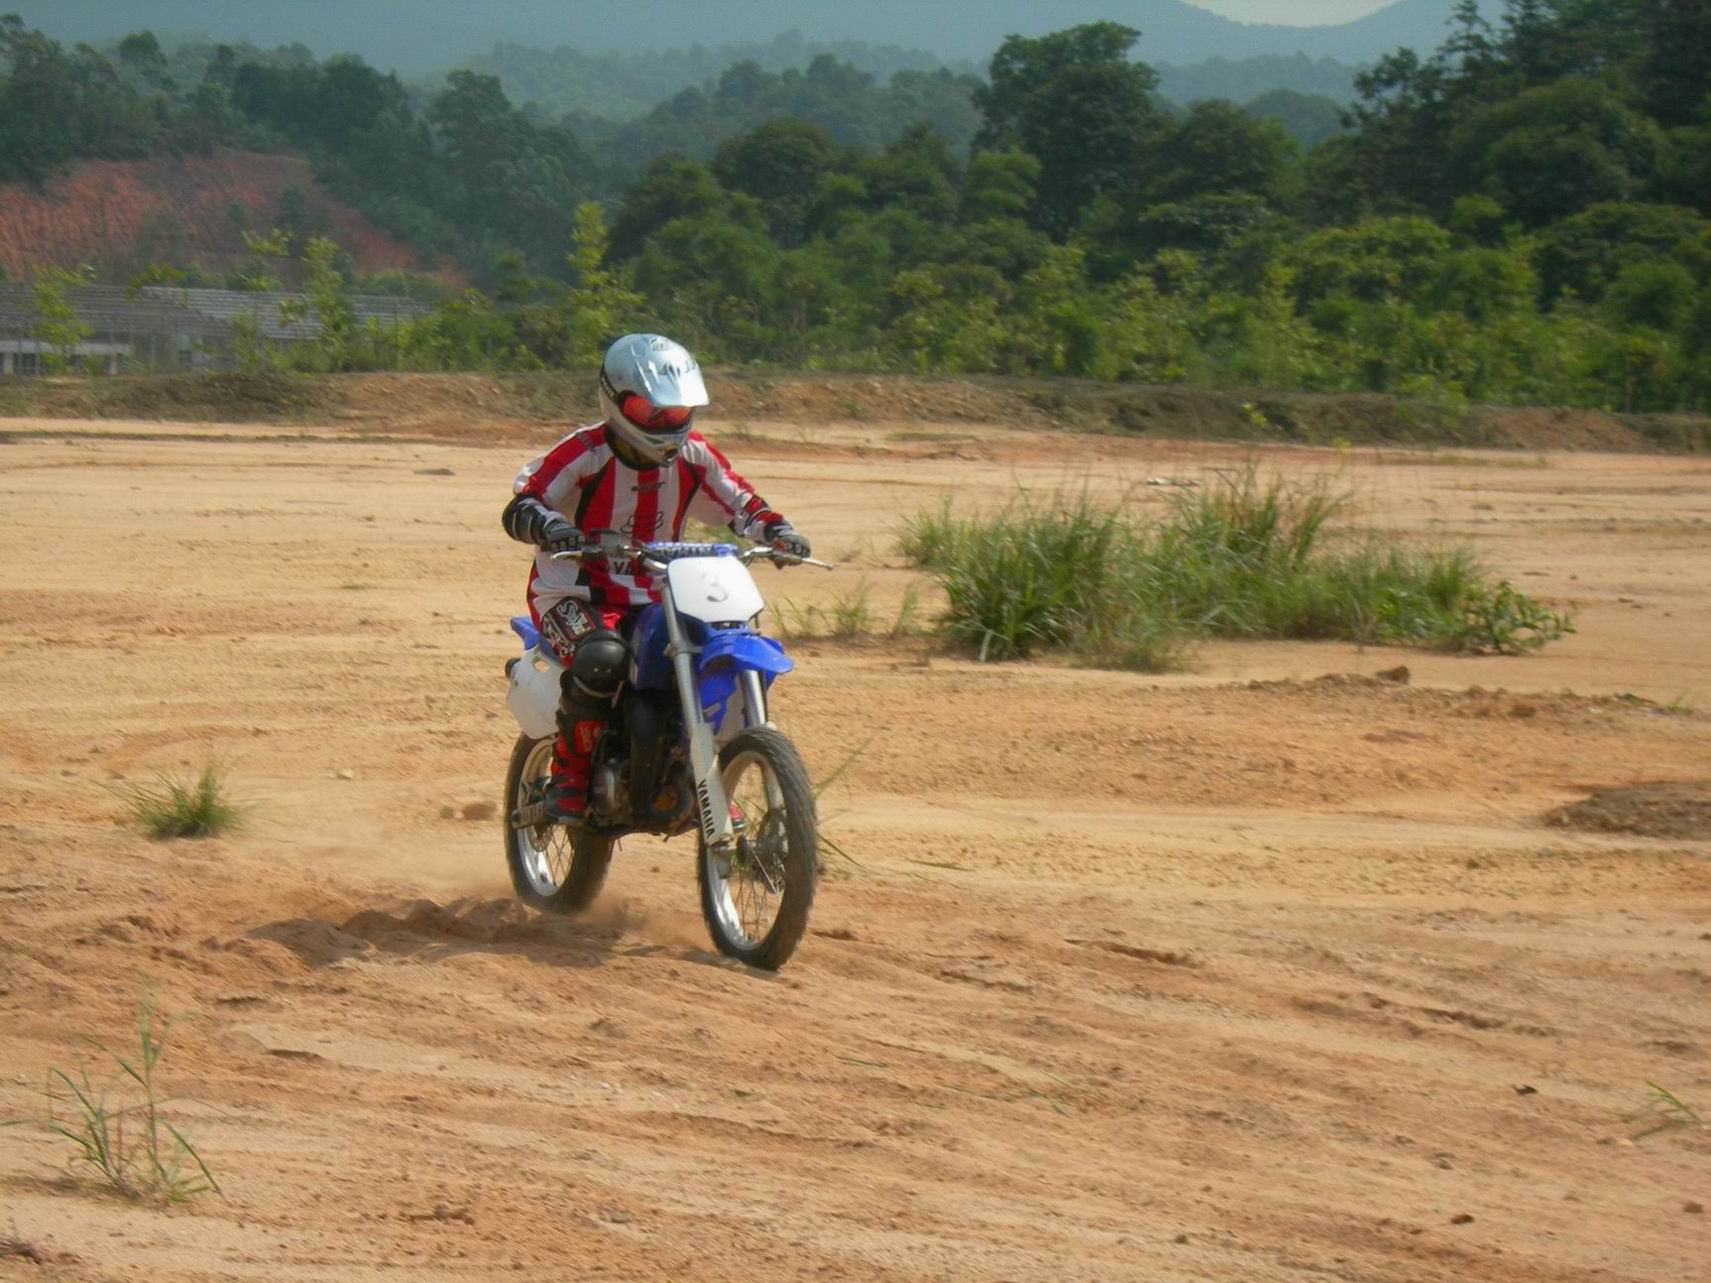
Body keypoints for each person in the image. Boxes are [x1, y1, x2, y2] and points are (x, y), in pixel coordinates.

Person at [501, 333, 810, 822]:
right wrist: (550, 525)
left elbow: (741, 502)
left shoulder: (695, 455)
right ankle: (571, 774)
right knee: (603, 656)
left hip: (662, 591)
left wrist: (778, 530)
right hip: (574, 593)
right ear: (616, 398)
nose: (666, 423)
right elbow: (524, 502)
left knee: (716, 643)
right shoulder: (585, 452)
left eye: (675, 411)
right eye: (652, 411)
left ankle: (700, 773)